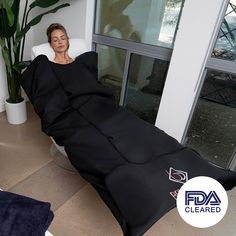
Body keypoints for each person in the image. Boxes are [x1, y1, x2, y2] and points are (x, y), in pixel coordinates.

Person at [21, 23, 236, 236]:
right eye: (55, 39)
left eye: (63, 37)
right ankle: (139, 199)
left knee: (145, 133)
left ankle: (200, 171)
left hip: (102, 107)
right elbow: (48, 97)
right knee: (104, 147)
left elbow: (95, 88)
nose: (60, 42)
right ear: (50, 44)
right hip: (76, 113)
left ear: (68, 39)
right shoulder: (48, 68)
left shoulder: (83, 62)